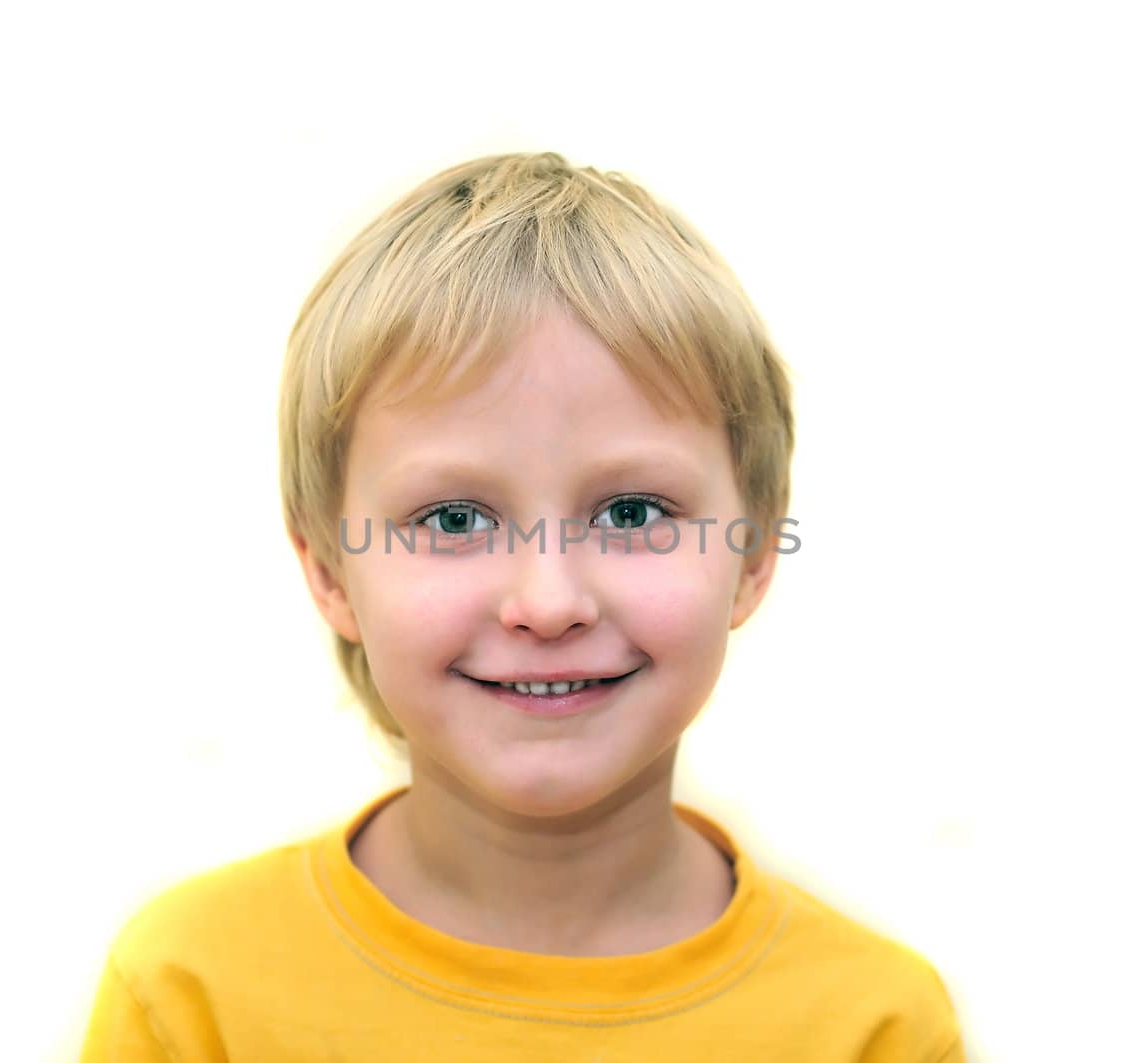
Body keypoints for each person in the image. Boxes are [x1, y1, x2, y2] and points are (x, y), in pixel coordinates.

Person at [79, 152, 965, 1061]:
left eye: (633, 512)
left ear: (750, 554)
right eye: (455, 518)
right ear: (332, 570)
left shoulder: (872, 1026)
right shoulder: (195, 993)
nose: (547, 601)